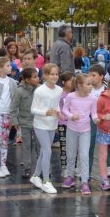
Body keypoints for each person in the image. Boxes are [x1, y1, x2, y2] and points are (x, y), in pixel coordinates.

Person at [61, 73, 97, 194]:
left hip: (85, 131)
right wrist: (71, 116)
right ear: (80, 85)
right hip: (72, 129)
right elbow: (64, 109)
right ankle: (70, 176)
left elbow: (94, 113)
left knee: (84, 155)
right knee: (71, 154)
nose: (91, 86)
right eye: (88, 84)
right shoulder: (71, 96)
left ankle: (84, 181)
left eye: (91, 84)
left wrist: (96, 119)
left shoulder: (92, 98)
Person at [30, 63, 63, 194]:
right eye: (52, 74)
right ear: (45, 75)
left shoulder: (59, 90)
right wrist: (45, 112)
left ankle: (35, 176)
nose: (55, 76)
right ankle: (46, 180)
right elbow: (33, 109)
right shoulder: (39, 91)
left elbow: (56, 105)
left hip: (52, 124)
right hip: (40, 124)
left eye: (56, 74)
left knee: (45, 151)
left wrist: (58, 112)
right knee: (47, 151)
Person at [11, 68, 40, 178]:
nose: (37, 79)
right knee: (26, 146)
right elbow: (13, 107)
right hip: (25, 122)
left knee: (39, 145)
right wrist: (14, 121)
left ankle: (40, 167)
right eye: (34, 77)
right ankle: (27, 168)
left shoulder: (40, 89)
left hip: (38, 122)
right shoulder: (19, 91)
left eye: (37, 76)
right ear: (27, 79)